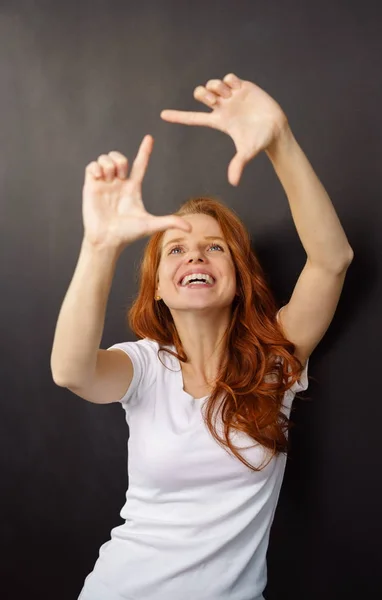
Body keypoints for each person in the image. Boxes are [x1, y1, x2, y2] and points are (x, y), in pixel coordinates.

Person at [51, 73, 353, 600]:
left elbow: (332, 261)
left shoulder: (275, 362)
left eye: (215, 248)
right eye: (176, 250)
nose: (194, 255)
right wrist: (99, 246)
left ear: (239, 279)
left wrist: (279, 140)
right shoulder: (144, 367)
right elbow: (71, 371)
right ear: (160, 290)